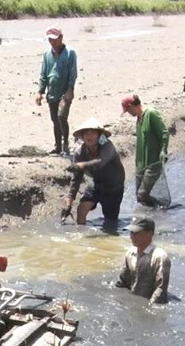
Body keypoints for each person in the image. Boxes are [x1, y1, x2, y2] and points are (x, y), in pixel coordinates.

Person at [62, 118, 125, 228]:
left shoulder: (108, 146)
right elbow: (76, 179)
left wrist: (83, 165)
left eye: (93, 132)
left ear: (99, 135)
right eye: (86, 133)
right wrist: (69, 202)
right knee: (81, 209)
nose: (89, 136)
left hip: (114, 187)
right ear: (82, 136)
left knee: (110, 223)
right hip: (97, 184)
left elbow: (101, 162)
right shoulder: (80, 153)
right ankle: (81, 238)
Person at [36, 27, 78, 155]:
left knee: (61, 117)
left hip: (65, 92)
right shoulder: (47, 55)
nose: (52, 42)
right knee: (54, 120)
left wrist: (70, 89)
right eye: (50, 40)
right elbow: (43, 74)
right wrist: (40, 91)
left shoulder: (70, 53)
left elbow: (73, 72)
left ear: (61, 38)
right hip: (52, 92)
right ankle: (58, 146)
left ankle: (65, 143)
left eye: (54, 39)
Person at [122, 94, 169, 207]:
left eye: (128, 110)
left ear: (133, 105)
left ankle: (159, 211)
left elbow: (164, 133)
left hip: (154, 163)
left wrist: (164, 150)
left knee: (142, 195)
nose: (128, 113)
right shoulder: (138, 120)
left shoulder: (151, 114)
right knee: (139, 197)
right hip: (141, 164)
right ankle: (155, 209)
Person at [116, 216, 171, 304]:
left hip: (150, 302)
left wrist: (150, 308)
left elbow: (161, 288)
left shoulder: (159, 257)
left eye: (136, 233)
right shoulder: (130, 253)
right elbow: (123, 281)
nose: (132, 237)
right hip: (134, 301)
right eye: (131, 233)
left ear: (150, 234)